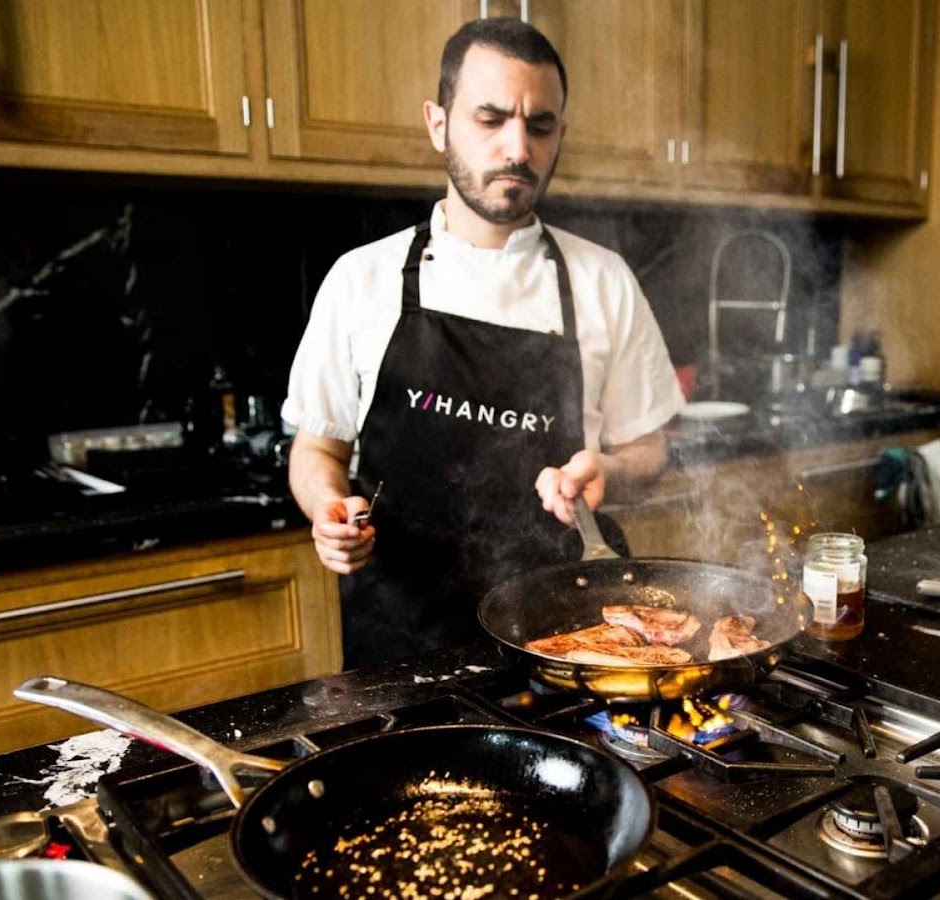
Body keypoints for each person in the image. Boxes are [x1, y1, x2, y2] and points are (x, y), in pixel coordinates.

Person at [281, 18, 683, 668]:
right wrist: (329, 508)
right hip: (402, 641)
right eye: (490, 119)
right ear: (439, 124)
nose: (517, 148)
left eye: (541, 125)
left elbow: (647, 449)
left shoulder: (602, 281)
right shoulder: (361, 280)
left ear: (561, 135)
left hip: (568, 641)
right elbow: (318, 448)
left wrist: (610, 469)